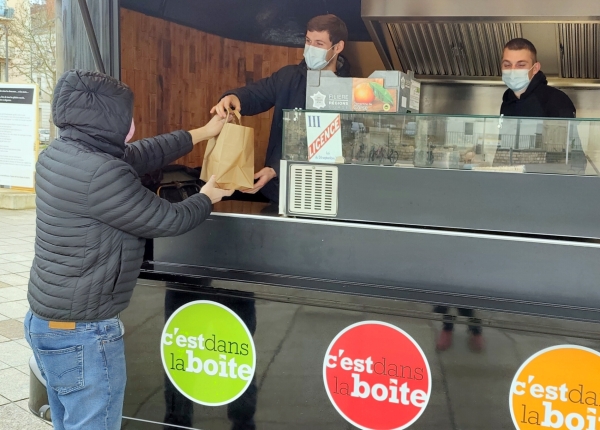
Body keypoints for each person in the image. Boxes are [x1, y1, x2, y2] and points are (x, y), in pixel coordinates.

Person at [24, 69, 233, 430]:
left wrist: (203, 132)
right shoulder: (103, 174)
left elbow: (141, 152)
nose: (133, 123)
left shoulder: (59, 154)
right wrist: (206, 198)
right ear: (109, 119)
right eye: (127, 115)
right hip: (82, 334)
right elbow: (167, 220)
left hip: (46, 321)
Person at [211, 14, 351, 205]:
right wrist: (234, 97)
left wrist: (276, 168)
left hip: (325, 194)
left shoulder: (351, 91)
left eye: (319, 44)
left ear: (338, 47)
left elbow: (333, 146)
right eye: (308, 41)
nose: (311, 49)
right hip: (279, 191)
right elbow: (257, 94)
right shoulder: (288, 77)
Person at [500, 38, 575, 118]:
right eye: (507, 65)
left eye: (521, 65)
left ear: (535, 68)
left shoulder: (557, 100)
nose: (513, 70)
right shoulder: (507, 100)